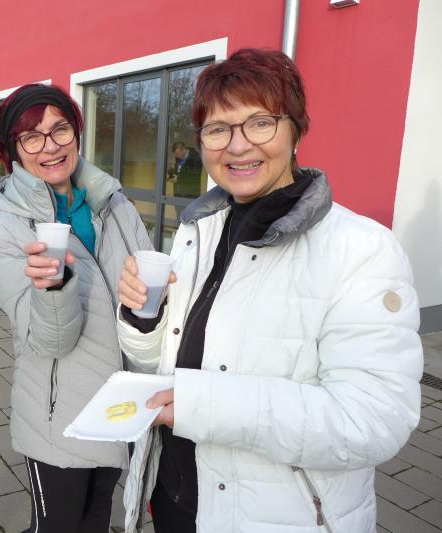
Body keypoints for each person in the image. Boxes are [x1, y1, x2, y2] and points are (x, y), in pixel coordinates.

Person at [118, 48, 423, 533]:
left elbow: (372, 420)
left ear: (295, 130)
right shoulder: (199, 232)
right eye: (217, 129)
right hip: (175, 498)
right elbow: (159, 363)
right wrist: (143, 315)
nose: (237, 146)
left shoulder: (360, 250)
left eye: (260, 123)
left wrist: (202, 405)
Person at [0, 84, 153, 533]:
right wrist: (53, 288)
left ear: (77, 132)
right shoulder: (5, 231)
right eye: (31, 137)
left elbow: (144, 298)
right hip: (58, 415)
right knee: (57, 526)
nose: (50, 146)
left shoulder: (114, 206)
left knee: (97, 519)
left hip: (118, 405)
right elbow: (49, 340)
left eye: (60, 130)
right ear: (12, 151)